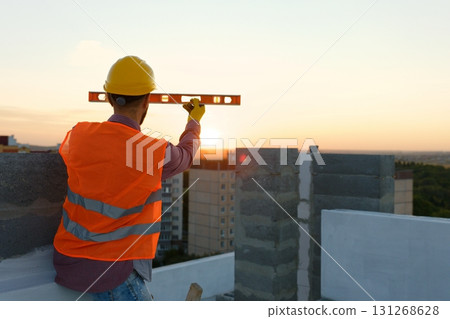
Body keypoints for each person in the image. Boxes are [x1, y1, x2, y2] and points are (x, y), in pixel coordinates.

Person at [52, 55, 205, 301]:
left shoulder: (78, 134)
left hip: (68, 260)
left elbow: (85, 156)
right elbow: (186, 156)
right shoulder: (150, 152)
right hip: (110, 272)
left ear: (108, 97)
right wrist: (194, 122)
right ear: (147, 100)